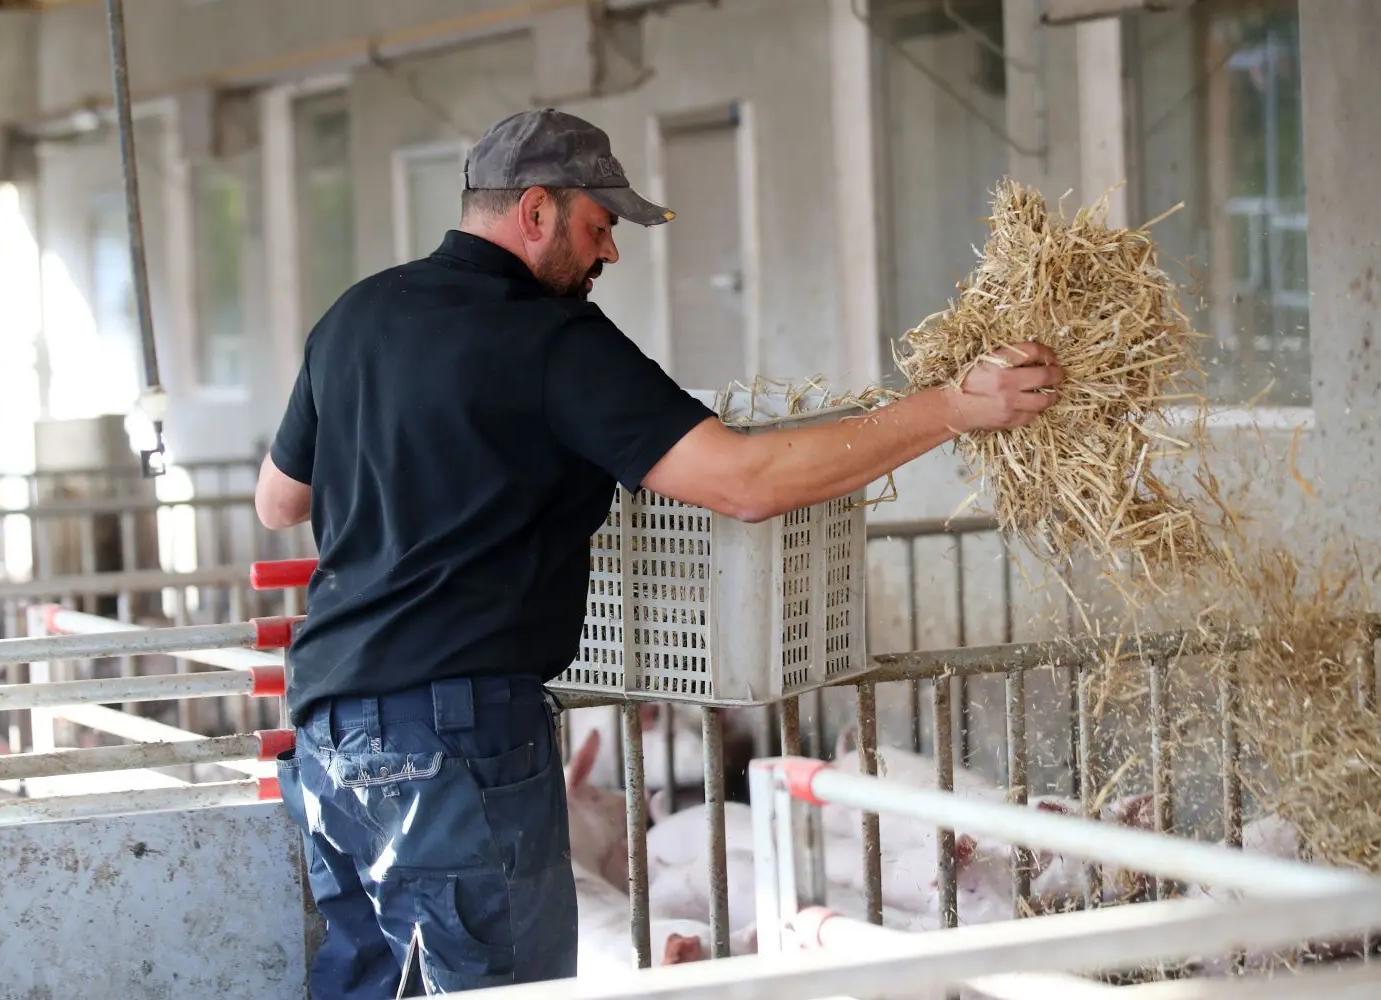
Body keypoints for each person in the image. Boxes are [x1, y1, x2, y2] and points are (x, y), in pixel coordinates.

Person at [254, 107, 1064, 997]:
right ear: (536, 211)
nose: (609, 254)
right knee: (505, 989)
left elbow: (279, 500)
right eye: (599, 227)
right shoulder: (551, 341)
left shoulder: (355, 317)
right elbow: (746, 480)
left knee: (373, 982)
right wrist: (950, 409)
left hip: (329, 729)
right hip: (451, 732)